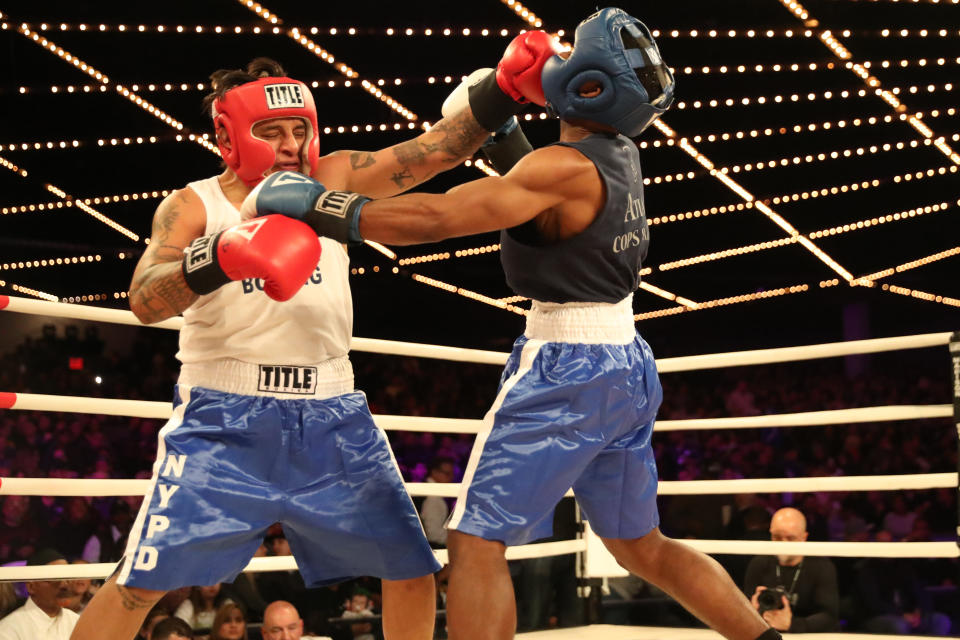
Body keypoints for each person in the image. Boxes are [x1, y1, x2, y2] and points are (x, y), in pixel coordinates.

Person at [245, 8, 781, 640]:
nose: (551, 60)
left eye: (566, 55)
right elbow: (546, 211)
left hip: (566, 368)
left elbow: (437, 220)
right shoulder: (616, 154)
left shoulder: (561, 168)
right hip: (625, 363)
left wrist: (327, 207)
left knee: (475, 541)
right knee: (642, 545)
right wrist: (499, 131)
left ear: (589, 85)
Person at [70, 36, 558, 640]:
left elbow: (430, 153)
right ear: (231, 135)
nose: (292, 147)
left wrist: (502, 91)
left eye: (300, 129)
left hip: (334, 417)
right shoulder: (193, 206)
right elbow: (144, 299)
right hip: (224, 422)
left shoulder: (327, 179)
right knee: (141, 584)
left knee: (409, 570)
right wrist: (219, 258)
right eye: (273, 132)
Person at [744, 507, 839, 632]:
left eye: (790, 538)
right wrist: (752, 612)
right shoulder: (760, 563)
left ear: (804, 537)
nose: (783, 544)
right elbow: (742, 610)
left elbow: (830, 617)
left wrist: (792, 624)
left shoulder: (821, 566)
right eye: (777, 537)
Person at [0, 549, 79, 640]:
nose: (65, 585)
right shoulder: (9, 630)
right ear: (31, 587)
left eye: (67, 577)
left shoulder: (76, 622)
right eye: (55, 578)